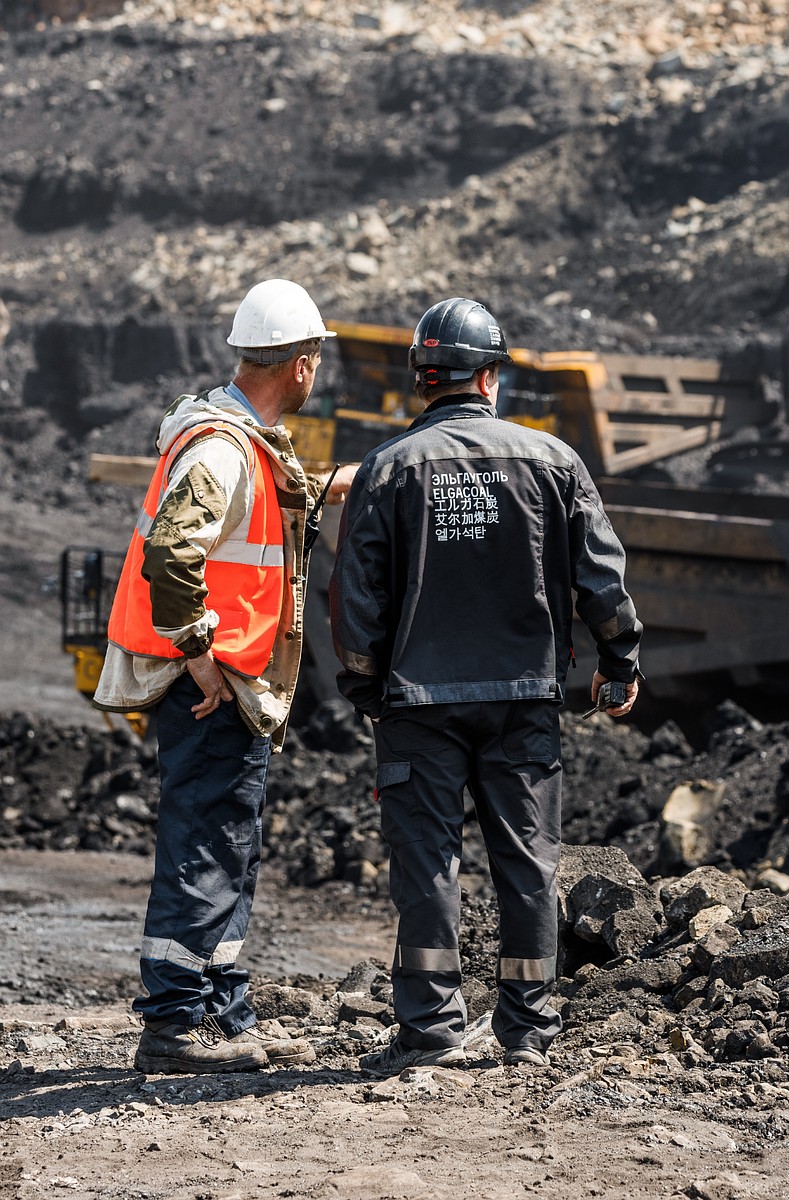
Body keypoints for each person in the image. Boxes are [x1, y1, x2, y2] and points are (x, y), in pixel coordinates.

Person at [329, 297, 642, 1072]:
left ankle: (430, 1030)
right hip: (523, 699)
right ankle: (527, 1031)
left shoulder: (386, 469)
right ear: (491, 377)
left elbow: (354, 600)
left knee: (427, 864)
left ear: (422, 380)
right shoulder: (552, 461)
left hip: (419, 704)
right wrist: (619, 661)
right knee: (527, 862)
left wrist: (369, 688)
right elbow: (602, 578)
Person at [94, 278, 358, 1074]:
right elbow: (172, 551)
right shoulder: (220, 447)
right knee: (203, 846)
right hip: (209, 686)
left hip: (235, 689)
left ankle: (223, 1009)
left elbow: (274, 505)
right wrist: (199, 652)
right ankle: (173, 1024)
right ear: (302, 365)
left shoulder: (243, 443)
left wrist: (350, 480)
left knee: (229, 847)